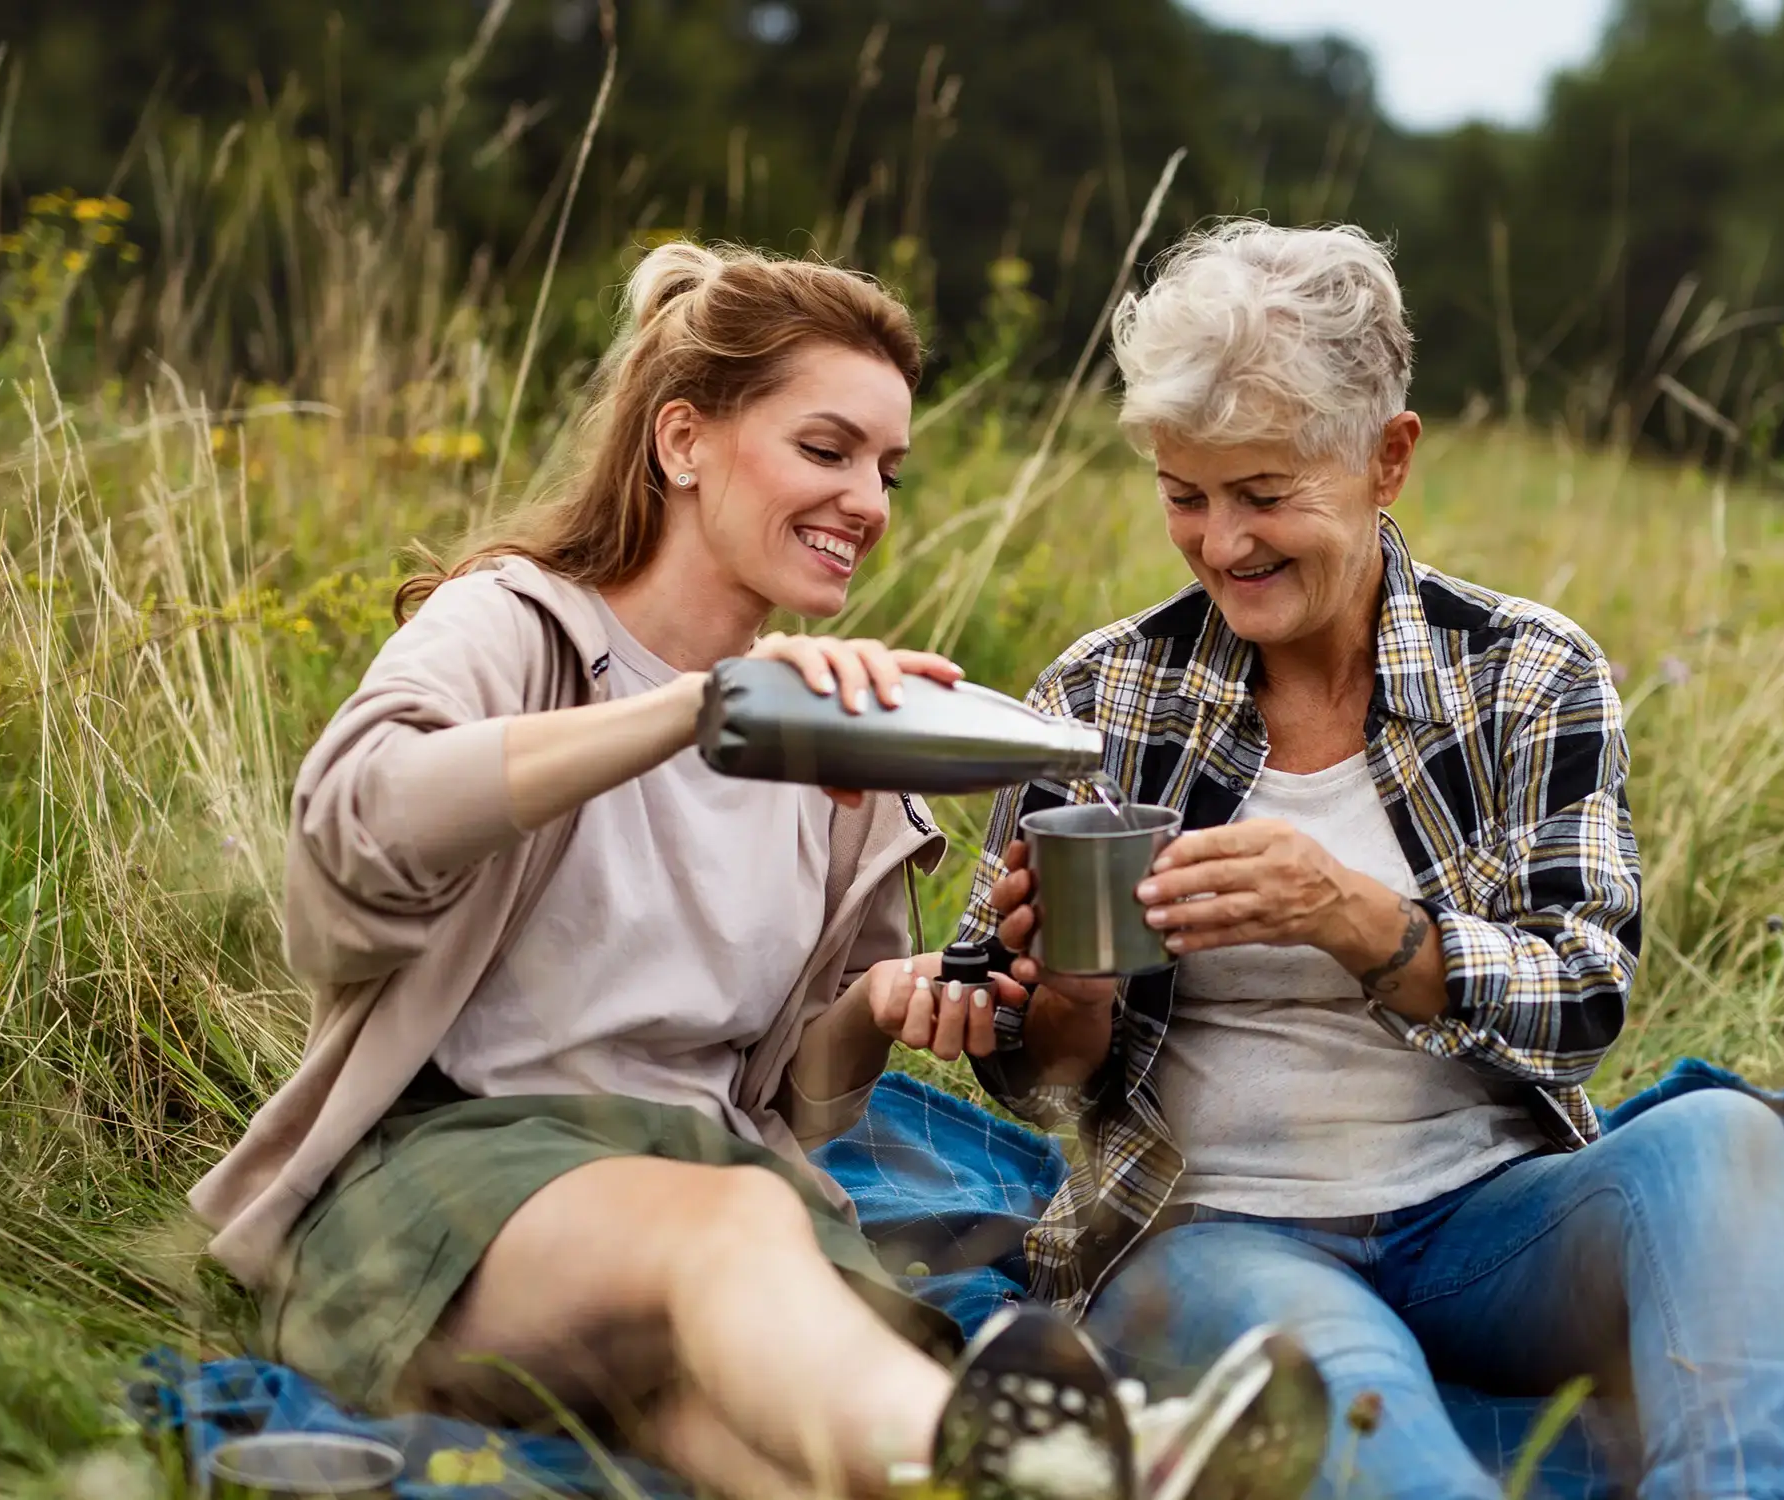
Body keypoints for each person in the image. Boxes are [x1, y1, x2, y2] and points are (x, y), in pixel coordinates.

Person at [188, 240, 1302, 1500]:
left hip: (695, 1221)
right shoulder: (518, 626)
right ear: (682, 443)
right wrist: (698, 709)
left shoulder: (842, 746)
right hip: (455, 1204)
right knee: (740, 1226)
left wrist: (877, 1012)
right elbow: (352, 836)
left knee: (785, 1463)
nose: (869, 502)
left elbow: (785, 1102)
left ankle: (1065, 1486)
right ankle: (1073, 1459)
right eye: (826, 451)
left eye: (888, 469)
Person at [931, 221, 1784, 1500]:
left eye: (1265, 494)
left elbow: (1586, 1005)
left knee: (1725, 1140)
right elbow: (1040, 1082)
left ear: (1387, 458)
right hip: (1218, 1235)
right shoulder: (1101, 694)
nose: (1220, 543)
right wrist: (1062, 992)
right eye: (1185, 495)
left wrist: (1359, 918)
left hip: (1489, 1221)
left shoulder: (1528, 673)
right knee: (1350, 1394)